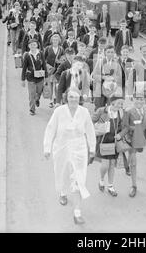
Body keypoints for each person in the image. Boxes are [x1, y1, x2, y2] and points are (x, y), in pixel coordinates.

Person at [43, 88, 96, 225]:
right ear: (66, 97)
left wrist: (92, 148)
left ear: (79, 99)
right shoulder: (59, 111)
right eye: (71, 97)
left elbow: (90, 130)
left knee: (79, 177)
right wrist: (47, 148)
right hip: (61, 146)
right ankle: (62, 192)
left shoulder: (84, 112)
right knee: (62, 172)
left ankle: (77, 212)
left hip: (79, 148)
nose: (73, 100)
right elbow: (50, 129)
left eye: (76, 97)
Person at [93, 97, 127, 197]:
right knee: (105, 166)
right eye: (119, 103)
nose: (121, 106)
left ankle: (110, 186)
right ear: (112, 102)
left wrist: (120, 134)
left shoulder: (121, 113)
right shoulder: (101, 111)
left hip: (114, 142)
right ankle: (101, 179)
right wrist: (98, 128)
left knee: (112, 164)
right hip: (103, 141)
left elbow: (125, 127)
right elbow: (91, 121)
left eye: (122, 104)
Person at [123, 96, 146, 197]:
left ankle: (126, 166)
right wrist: (135, 127)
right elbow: (124, 125)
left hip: (141, 138)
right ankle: (134, 186)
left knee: (132, 157)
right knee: (134, 161)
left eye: (141, 99)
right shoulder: (128, 111)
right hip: (131, 138)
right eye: (137, 99)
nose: (139, 101)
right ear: (133, 100)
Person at [21, 39, 48, 116]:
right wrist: (23, 79)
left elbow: (44, 65)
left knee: (39, 92)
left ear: (37, 45)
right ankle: (32, 109)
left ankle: (37, 99)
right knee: (31, 94)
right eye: (31, 45)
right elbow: (24, 68)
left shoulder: (41, 53)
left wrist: (46, 76)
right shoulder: (27, 55)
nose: (33, 46)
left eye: (34, 44)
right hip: (31, 78)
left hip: (40, 77)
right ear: (29, 46)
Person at [91, 45, 122, 109]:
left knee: (110, 107)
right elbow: (94, 75)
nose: (110, 54)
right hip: (100, 88)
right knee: (98, 107)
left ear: (114, 53)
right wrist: (103, 77)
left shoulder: (117, 63)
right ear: (105, 52)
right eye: (108, 52)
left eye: (112, 52)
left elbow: (119, 77)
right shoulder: (100, 62)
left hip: (111, 89)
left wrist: (113, 78)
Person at [44, 34, 64, 108]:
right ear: (51, 40)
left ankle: (56, 99)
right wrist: (46, 67)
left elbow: (63, 58)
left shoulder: (61, 49)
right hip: (50, 70)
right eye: (54, 40)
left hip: (58, 70)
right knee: (50, 86)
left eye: (57, 40)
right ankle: (50, 101)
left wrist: (60, 61)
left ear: (59, 41)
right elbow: (43, 59)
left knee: (56, 86)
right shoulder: (48, 48)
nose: (55, 41)